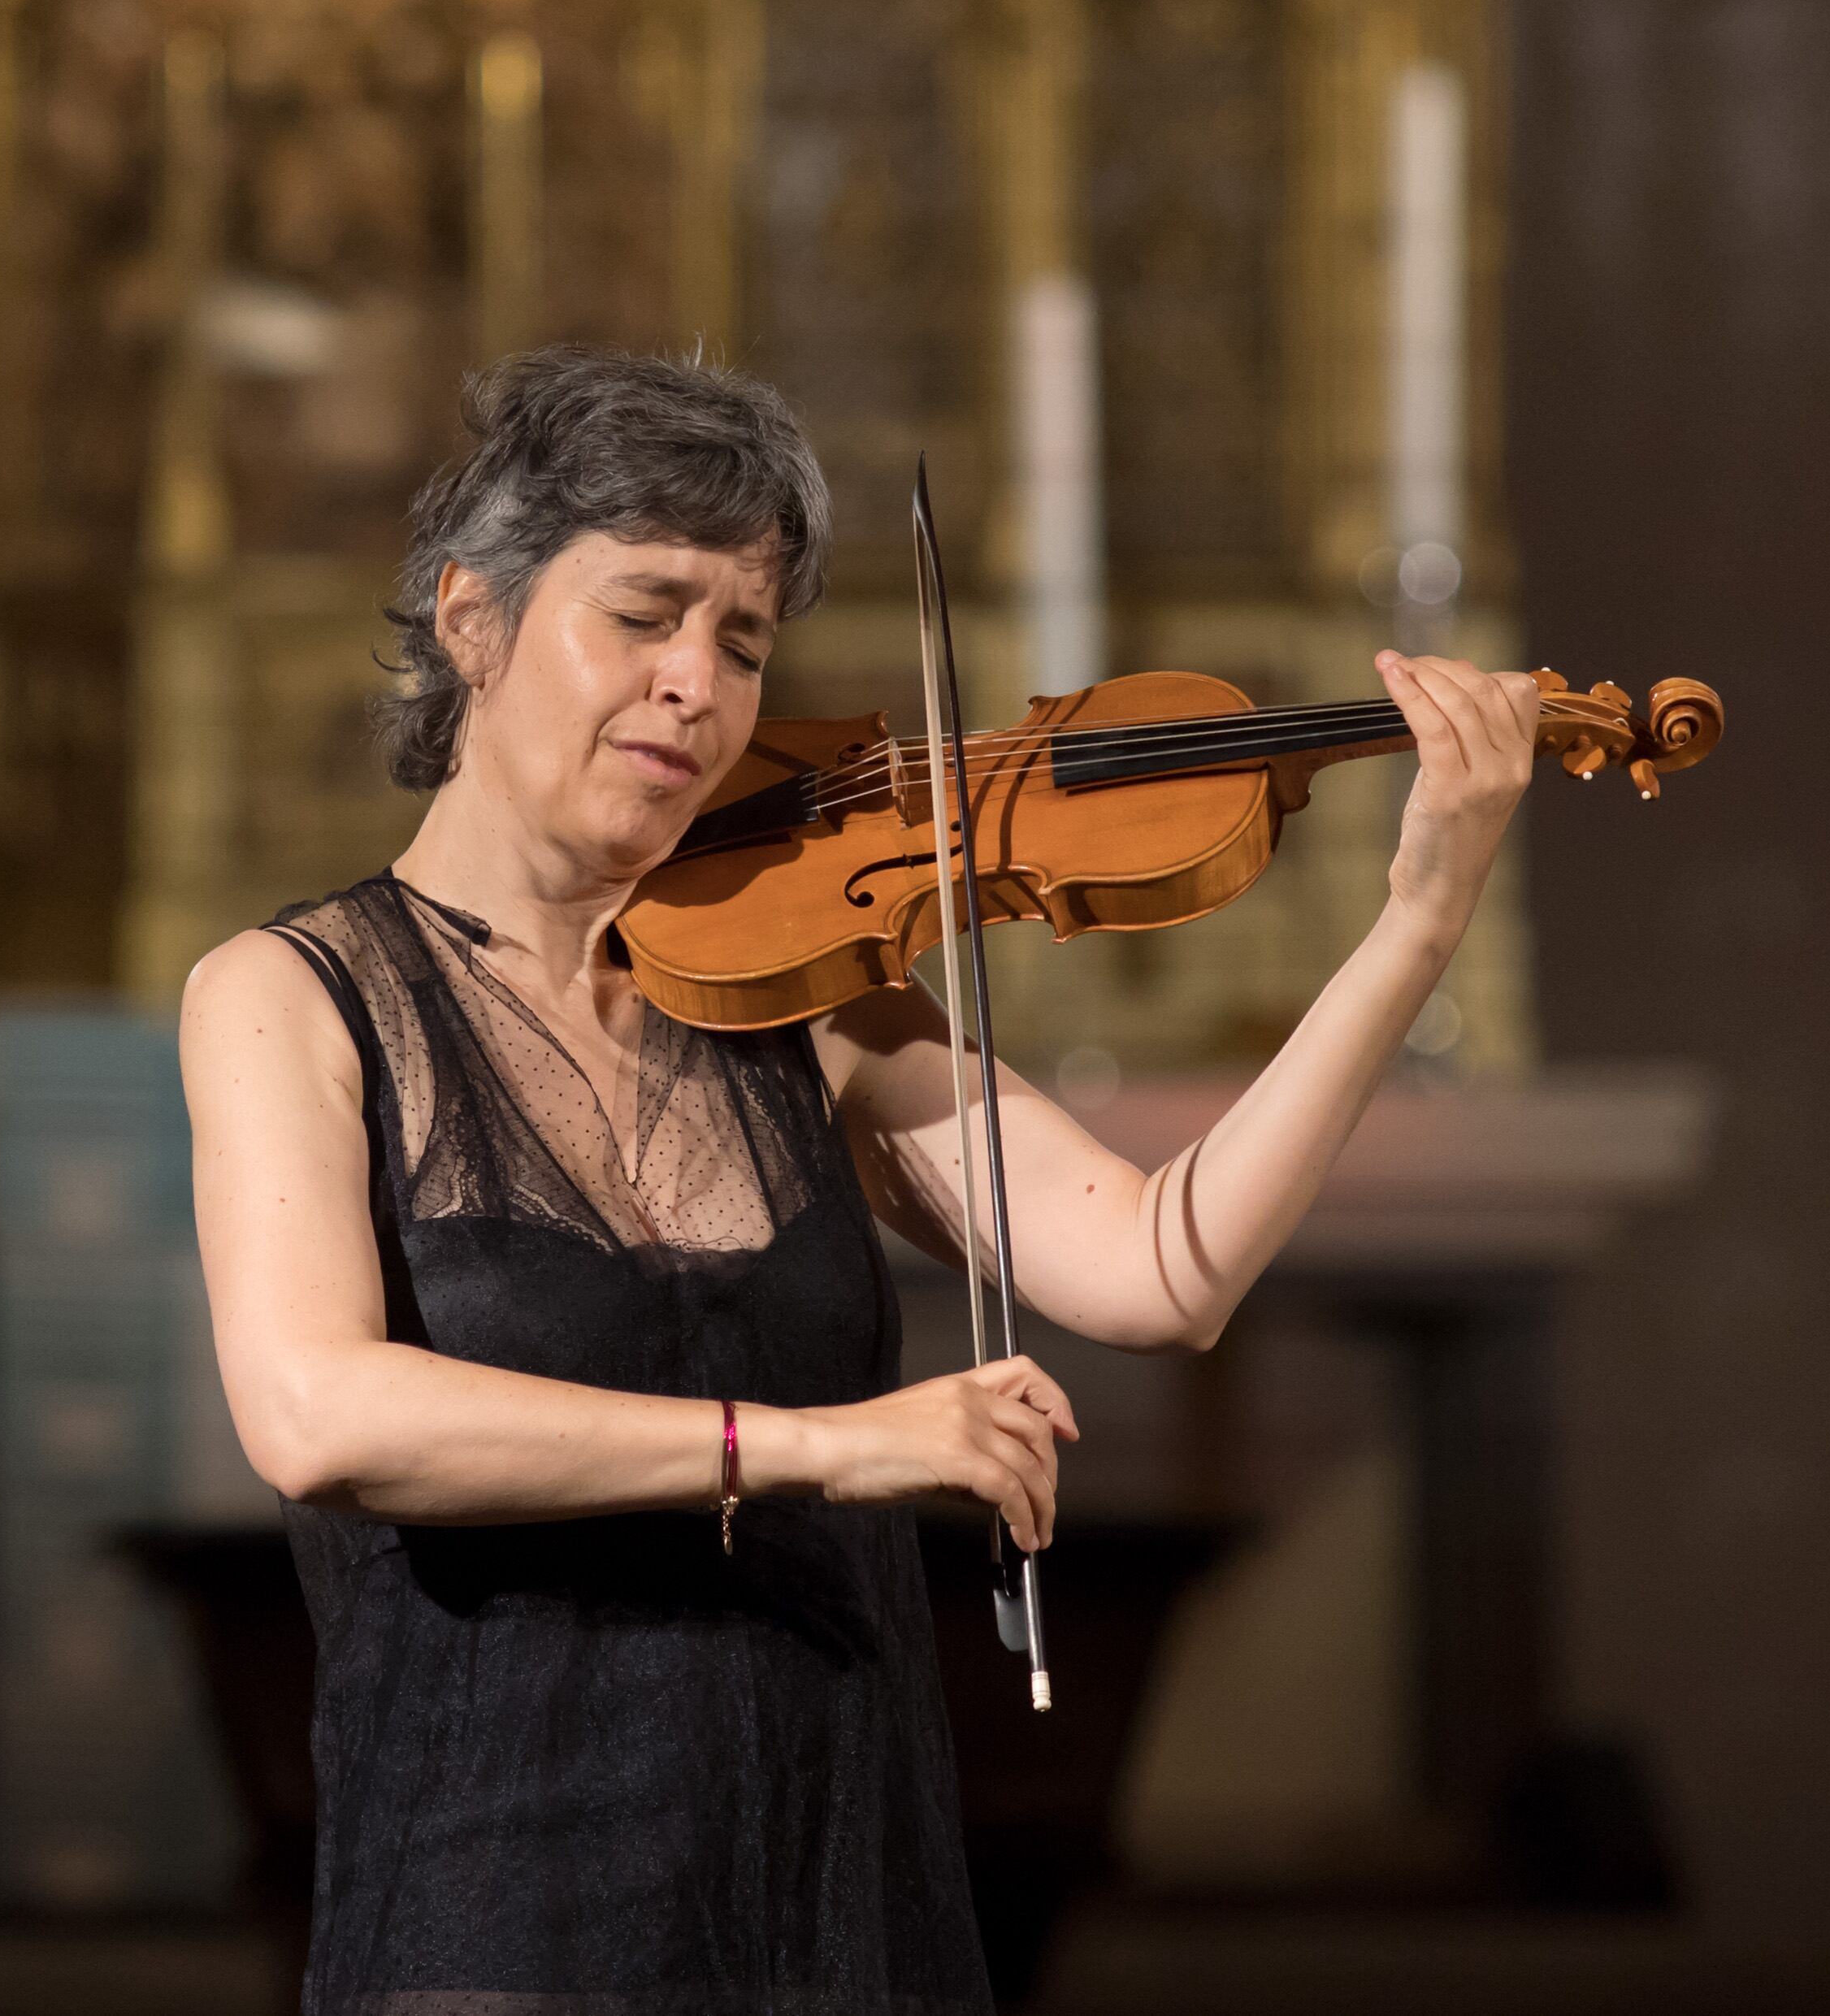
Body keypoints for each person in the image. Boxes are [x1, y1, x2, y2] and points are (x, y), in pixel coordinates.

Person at [180, 345, 1545, 2014]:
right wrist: (829, 1446)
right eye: (645, 610)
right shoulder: (296, 993)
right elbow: (320, 1412)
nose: (697, 680)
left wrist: (1413, 922)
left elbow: (1157, 1267)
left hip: (844, 1900)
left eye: (740, 638)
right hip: (502, 1914)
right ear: (473, 617)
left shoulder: (806, 997)